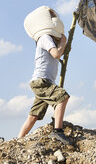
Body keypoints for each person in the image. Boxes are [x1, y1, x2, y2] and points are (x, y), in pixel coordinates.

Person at [18, 8, 71, 145]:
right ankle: (58, 131)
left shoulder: (49, 40)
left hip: (43, 81)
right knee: (62, 97)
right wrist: (63, 43)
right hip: (41, 82)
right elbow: (56, 54)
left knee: (33, 116)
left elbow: (59, 53)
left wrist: (63, 45)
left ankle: (18, 140)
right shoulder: (45, 38)